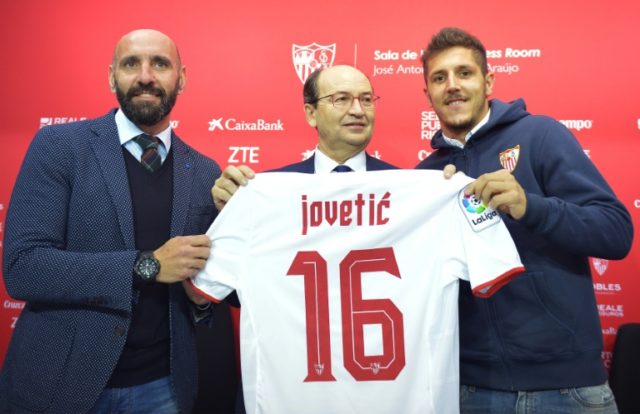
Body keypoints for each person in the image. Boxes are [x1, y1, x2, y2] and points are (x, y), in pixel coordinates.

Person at [0, 29, 224, 413]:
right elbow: (24, 268)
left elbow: (203, 287)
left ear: (181, 78)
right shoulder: (59, 147)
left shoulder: (205, 172)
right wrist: (148, 264)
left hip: (164, 387)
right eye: (131, 64)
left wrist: (199, 298)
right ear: (111, 76)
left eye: (160, 64)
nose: (145, 76)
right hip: (60, 384)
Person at [415, 27, 633, 413]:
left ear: (488, 81)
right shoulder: (427, 176)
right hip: (469, 389)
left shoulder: (540, 135)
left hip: (568, 390)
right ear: (427, 93)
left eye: (464, 72)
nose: (452, 85)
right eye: (439, 77)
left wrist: (531, 207)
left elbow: (616, 232)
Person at [211, 64, 397, 210]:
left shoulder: (401, 187)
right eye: (341, 99)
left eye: (366, 100)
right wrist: (229, 209)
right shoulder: (270, 191)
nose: (358, 110)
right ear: (311, 114)